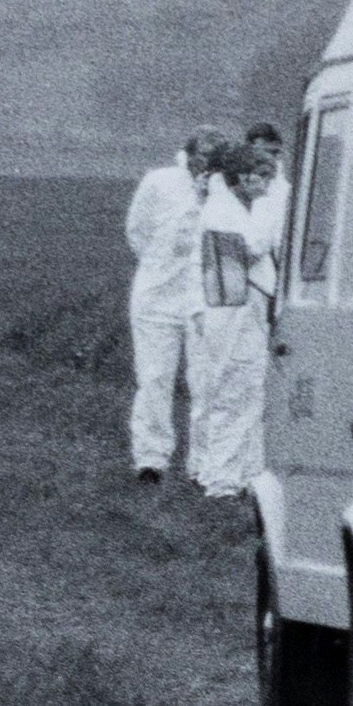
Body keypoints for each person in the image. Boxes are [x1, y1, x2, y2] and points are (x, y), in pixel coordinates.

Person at [124, 124, 226, 485]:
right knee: (154, 377)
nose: (207, 164)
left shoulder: (226, 188)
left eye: (215, 158)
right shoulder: (159, 182)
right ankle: (151, 459)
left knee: (204, 380)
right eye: (202, 156)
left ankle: (201, 464)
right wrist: (159, 266)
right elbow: (137, 232)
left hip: (204, 299)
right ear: (190, 153)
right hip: (156, 295)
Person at [188, 143, 280, 501]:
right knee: (232, 391)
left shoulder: (234, 207)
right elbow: (252, 247)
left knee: (249, 392)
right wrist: (267, 209)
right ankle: (222, 480)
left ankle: (244, 475)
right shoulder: (221, 212)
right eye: (264, 178)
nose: (269, 186)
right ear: (245, 179)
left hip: (246, 311)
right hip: (232, 314)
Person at [244, 120, 292, 252]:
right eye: (258, 154)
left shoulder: (286, 193)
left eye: (271, 153)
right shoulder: (237, 189)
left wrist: (260, 200)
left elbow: (259, 246)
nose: (266, 159)